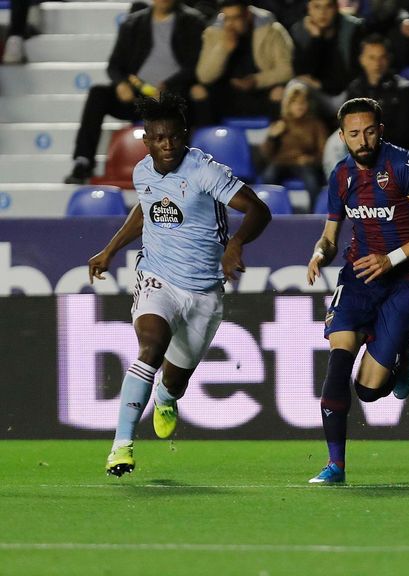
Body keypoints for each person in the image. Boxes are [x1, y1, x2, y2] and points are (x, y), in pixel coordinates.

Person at [88, 92, 271, 476]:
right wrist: (109, 250)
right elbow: (146, 208)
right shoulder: (143, 172)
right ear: (147, 140)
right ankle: (121, 446)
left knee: (174, 378)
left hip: (204, 290)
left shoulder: (205, 171)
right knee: (151, 347)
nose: (167, 144)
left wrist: (235, 243)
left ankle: (167, 397)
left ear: (184, 135)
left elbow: (258, 208)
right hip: (158, 276)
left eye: (173, 136)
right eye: (158, 138)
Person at [305, 97, 409, 484]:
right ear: (342, 136)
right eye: (354, 134)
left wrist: (393, 258)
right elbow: (331, 237)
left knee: (368, 392)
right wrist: (320, 253)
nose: (362, 140)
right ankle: (335, 466)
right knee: (339, 361)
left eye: (369, 131)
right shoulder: (340, 177)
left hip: (404, 281)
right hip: (358, 278)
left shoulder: (403, 166)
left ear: (380, 131)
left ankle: (401, 357)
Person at [64, 0, 207, 184]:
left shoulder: (193, 22)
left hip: (175, 94)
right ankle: (83, 161)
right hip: (137, 95)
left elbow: (194, 65)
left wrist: (168, 85)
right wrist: (122, 83)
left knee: (189, 99)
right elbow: (114, 66)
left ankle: (180, 167)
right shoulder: (132, 23)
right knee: (98, 94)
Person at [192, 0, 294, 125]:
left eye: (236, 18)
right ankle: (210, 141)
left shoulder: (271, 30)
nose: (230, 25)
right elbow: (204, 76)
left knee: (279, 92)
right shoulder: (213, 33)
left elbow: (287, 69)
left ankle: (272, 139)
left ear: (248, 15)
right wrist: (224, 49)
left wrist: (256, 81)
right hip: (225, 94)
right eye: (227, 19)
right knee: (198, 91)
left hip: (261, 92)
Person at [340, 34, 409, 152]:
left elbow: (405, 134)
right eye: (372, 57)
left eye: (382, 57)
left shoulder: (404, 90)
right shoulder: (355, 89)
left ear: (389, 59)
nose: (377, 63)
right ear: (362, 60)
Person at [289, 0, 366, 123]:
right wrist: (316, 38)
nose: (322, 13)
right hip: (316, 97)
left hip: (346, 95)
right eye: (317, 7)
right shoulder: (300, 30)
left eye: (328, 7)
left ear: (336, 8)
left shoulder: (352, 29)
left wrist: (320, 84)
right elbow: (300, 72)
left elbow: (355, 75)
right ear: (309, 9)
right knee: (294, 85)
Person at [259, 81, 328, 210]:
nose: (299, 105)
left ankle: (314, 214)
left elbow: (323, 152)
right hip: (281, 162)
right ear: (288, 104)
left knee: (312, 182)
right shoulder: (281, 122)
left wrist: (311, 159)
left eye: (303, 102)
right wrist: (272, 137)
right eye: (295, 102)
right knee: (268, 176)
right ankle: (268, 211)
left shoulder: (316, 125)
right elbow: (266, 154)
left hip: (303, 162)